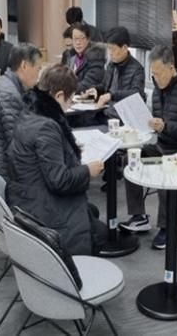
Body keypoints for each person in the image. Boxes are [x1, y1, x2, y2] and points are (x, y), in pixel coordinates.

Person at [7, 64, 107, 256]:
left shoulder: (30, 111)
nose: (69, 105)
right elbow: (59, 181)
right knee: (99, 232)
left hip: (25, 195)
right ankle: (75, 270)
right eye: (70, 99)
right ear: (59, 96)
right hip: (41, 206)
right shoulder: (47, 127)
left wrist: (67, 150)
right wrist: (88, 170)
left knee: (91, 212)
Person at [119, 45, 177, 250]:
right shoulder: (158, 91)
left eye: (158, 74)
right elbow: (157, 124)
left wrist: (165, 126)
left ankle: (168, 227)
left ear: (171, 67)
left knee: (164, 172)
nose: (155, 79)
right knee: (131, 159)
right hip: (162, 147)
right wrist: (145, 126)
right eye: (153, 74)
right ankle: (139, 216)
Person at [0, 43, 43, 180]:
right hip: (0, 172)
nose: (38, 75)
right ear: (24, 66)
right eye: (38, 69)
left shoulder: (3, 83)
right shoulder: (9, 95)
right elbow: (19, 146)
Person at [93, 27, 146, 119]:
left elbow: (137, 93)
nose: (110, 53)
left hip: (122, 116)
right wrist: (96, 90)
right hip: (106, 111)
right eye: (109, 49)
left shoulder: (137, 69)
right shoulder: (111, 65)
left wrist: (112, 96)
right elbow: (105, 86)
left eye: (113, 49)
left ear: (124, 48)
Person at [63, 23, 106, 93]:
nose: (78, 42)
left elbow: (88, 85)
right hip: (72, 95)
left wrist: (65, 90)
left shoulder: (96, 55)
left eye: (82, 38)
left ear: (88, 39)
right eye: (75, 39)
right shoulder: (70, 55)